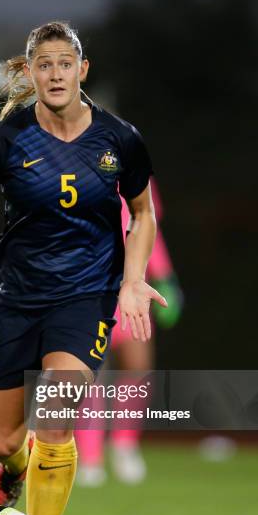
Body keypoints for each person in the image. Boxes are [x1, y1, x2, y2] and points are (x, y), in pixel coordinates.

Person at [0, 21, 167, 515]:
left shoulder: (119, 138)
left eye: (65, 63)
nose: (56, 73)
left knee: (57, 421)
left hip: (85, 298)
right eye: (44, 64)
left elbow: (142, 213)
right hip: (16, 298)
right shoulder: (7, 140)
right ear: (30, 73)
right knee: (2, 440)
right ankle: (12, 470)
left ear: (81, 70)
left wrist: (133, 279)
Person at [75, 179, 184, 486]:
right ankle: (90, 455)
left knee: (137, 368)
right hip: (90, 286)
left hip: (133, 286)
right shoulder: (78, 167)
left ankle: (124, 444)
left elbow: (149, 228)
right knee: (91, 373)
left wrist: (165, 277)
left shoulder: (138, 175)